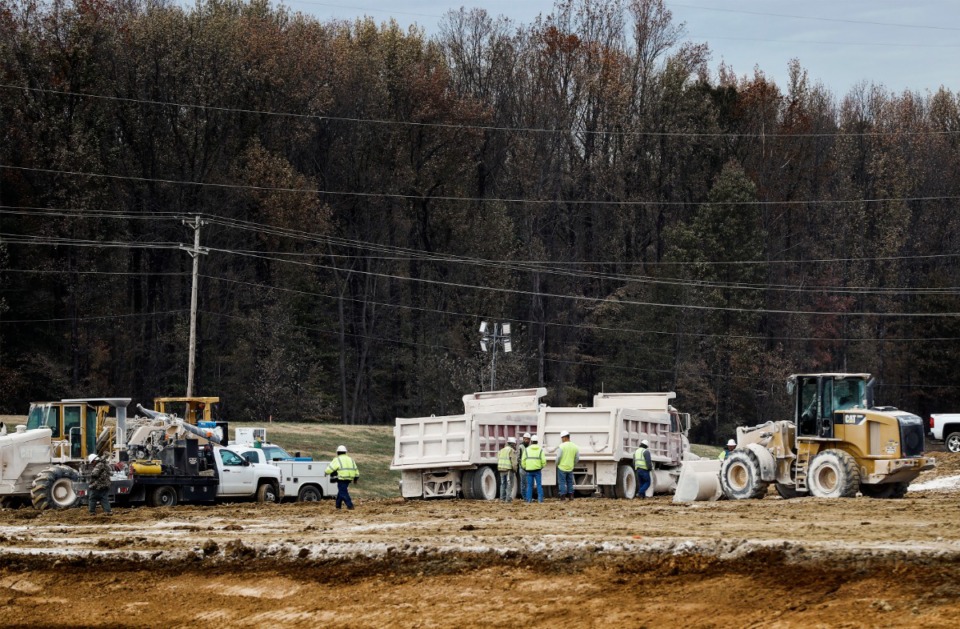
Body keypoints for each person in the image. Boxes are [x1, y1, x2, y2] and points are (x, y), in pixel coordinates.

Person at [325, 445, 359, 510]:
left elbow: (330, 468)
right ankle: (338, 506)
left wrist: (326, 472)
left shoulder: (337, 459)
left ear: (337, 452)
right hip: (349, 478)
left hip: (342, 478)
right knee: (341, 491)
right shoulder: (350, 459)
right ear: (345, 452)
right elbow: (356, 469)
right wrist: (356, 478)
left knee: (343, 492)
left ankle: (350, 506)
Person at [521, 434, 546, 503]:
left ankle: (528, 500)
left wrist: (525, 468)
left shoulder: (526, 450)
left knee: (529, 486)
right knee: (539, 485)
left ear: (531, 441)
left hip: (529, 470)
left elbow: (523, 461)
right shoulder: (540, 450)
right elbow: (544, 461)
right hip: (537, 470)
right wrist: (541, 467)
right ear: (537, 442)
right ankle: (540, 500)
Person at [556, 430, 580, 501]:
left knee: (562, 482)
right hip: (570, 467)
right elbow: (577, 458)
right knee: (570, 482)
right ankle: (571, 496)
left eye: (562, 438)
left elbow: (558, 457)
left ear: (564, 438)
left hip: (562, 467)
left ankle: (563, 496)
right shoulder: (575, 446)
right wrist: (573, 464)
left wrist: (557, 463)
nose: (561, 440)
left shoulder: (561, 446)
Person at [497, 437, 517, 502]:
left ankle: (502, 498)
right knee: (509, 484)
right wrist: (515, 469)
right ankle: (508, 499)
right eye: (514, 444)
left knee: (502, 484)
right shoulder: (511, 450)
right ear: (512, 444)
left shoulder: (501, 450)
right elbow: (513, 462)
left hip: (501, 469)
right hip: (508, 470)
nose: (515, 446)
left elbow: (498, 459)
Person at [517, 433, 532, 500]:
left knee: (528, 483)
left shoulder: (529, 447)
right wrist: (523, 465)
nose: (527, 440)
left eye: (528, 439)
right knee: (523, 483)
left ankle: (527, 496)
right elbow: (518, 458)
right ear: (523, 439)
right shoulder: (521, 447)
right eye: (526, 439)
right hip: (523, 468)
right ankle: (525, 497)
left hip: (528, 467)